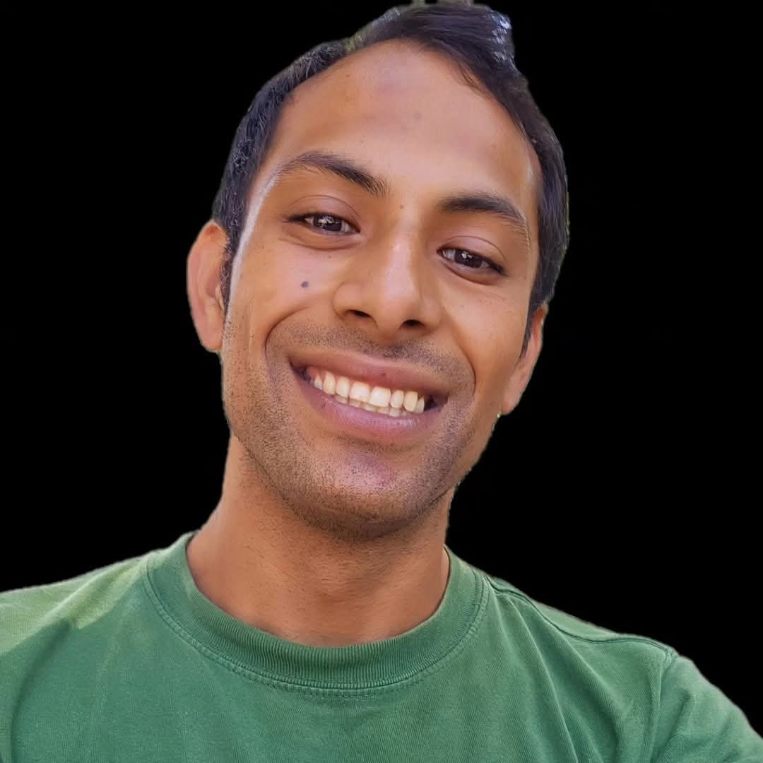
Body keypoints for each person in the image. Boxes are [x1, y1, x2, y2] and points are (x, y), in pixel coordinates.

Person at [2, 2, 761, 760]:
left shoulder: (651, 731)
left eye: (470, 256)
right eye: (328, 220)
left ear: (525, 355)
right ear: (214, 288)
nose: (394, 300)